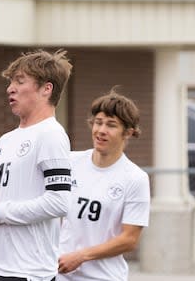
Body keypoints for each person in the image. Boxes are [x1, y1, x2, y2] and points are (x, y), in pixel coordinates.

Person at [0, 49, 74, 281]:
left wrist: (0, 212)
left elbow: (59, 202)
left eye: (20, 81)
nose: (10, 88)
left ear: (47, 88)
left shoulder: (51, 134)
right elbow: (11, 196)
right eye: (11, 82)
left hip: (25, 273)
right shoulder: (6, 139)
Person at [57, 89, 150, 280]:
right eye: (98, 122)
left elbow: (129, 240)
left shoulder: (135, 178)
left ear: (128, 132)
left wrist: (81, 256)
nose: (101, 131)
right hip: (60, 274)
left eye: (111, 125)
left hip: (103, 277)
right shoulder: (71, 162)